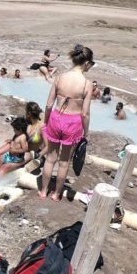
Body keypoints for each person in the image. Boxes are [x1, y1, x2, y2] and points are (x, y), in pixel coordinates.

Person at [40, 45, 95, 201]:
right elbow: (85, 113)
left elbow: (49, 105)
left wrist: (46, 122)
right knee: (64, 162)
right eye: (91, 64)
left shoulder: (60, 77)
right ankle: (56, 194)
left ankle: (43, 191)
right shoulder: (87, 84)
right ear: (86, 63)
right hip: (73, 123)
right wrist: (86, 132)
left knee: (50, 158)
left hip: (56, 119)